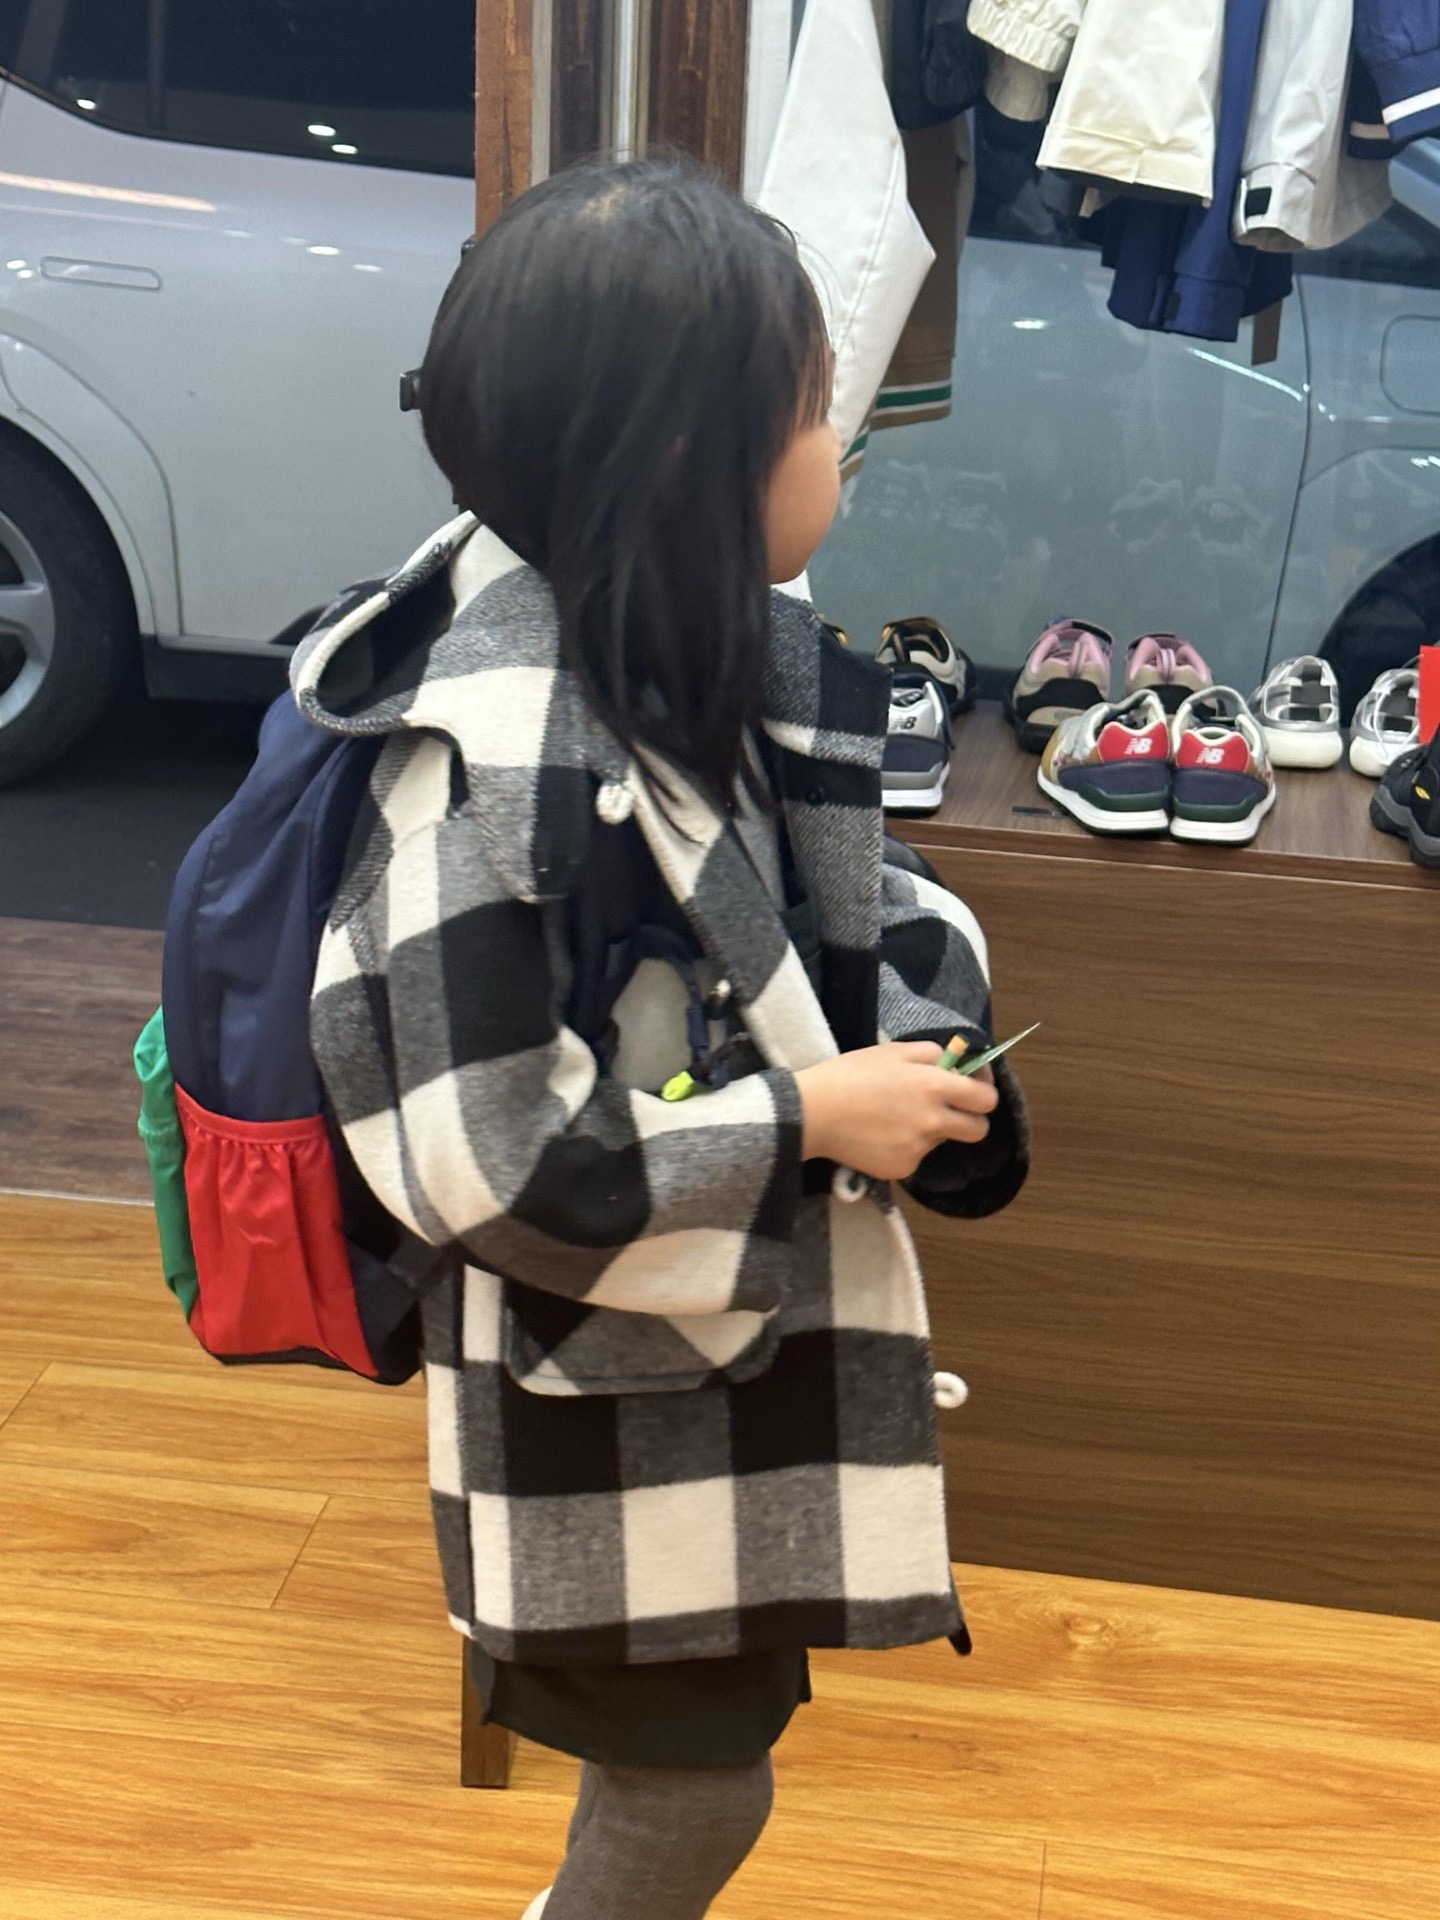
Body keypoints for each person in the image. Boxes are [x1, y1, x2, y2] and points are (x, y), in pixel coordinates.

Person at [290, 159, 1029, 1920]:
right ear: (695, 466)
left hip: (698, 1361)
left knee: (706, 1758)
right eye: (814, 415)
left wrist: (924, 1040)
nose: (842, 449)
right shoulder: (487, 765)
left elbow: (850, 888)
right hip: (598, 1396)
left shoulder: (693, 647)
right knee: (694, 1789)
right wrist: (806, 1119)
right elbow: (488, 1158)